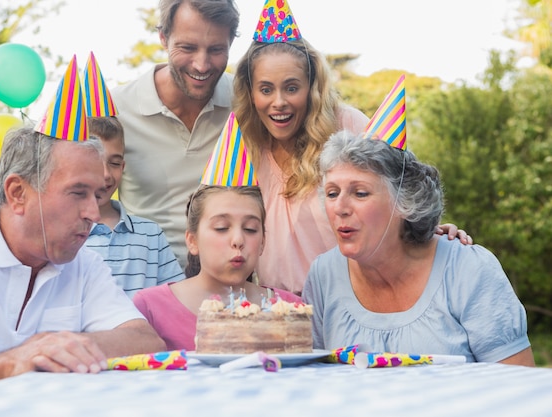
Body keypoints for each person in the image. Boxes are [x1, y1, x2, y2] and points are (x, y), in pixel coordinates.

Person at [0, 127, 166, 391]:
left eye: (97, 196)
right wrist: (14, 362)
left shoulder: (83, 263)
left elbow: (145, 342)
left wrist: (64, 347)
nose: (94, 214)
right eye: (78, 192)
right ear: (18, 193)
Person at [233, 38, 471, 295]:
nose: (279, 102)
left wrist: (427, 233)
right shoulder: (245, 146)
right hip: (280, 312)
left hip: (353, 302)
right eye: (266, 90)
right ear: (250, 92)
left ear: (312, 87)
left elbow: (395, 196)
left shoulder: (349, 126)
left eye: (291, 88)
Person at [303, 130, 535, 366]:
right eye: (332, 193)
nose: (339, 207)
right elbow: (313, 379)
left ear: (406, 201)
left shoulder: (467, 269)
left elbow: (517, 384)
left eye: (360, 193)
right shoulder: (323, 275)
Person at [111, 0, 240, 267]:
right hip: (143, 286)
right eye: (188, 47)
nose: (202, 65)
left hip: (227, 289)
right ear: (163, 37)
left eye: (216, 49)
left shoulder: (246, 102)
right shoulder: (115, 108)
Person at [133, 185, 302, 351]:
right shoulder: (149, 307)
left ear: (263, 242)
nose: (238, 240)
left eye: (250, 229)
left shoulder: (291, 308)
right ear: (192, 240)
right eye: (221, 228)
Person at [85, 117, 185, 298]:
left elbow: (176, 300)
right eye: (95, 161)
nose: (106, 174)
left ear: (122, 167)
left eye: (114, 163)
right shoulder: (62, 234)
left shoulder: (151, 234)